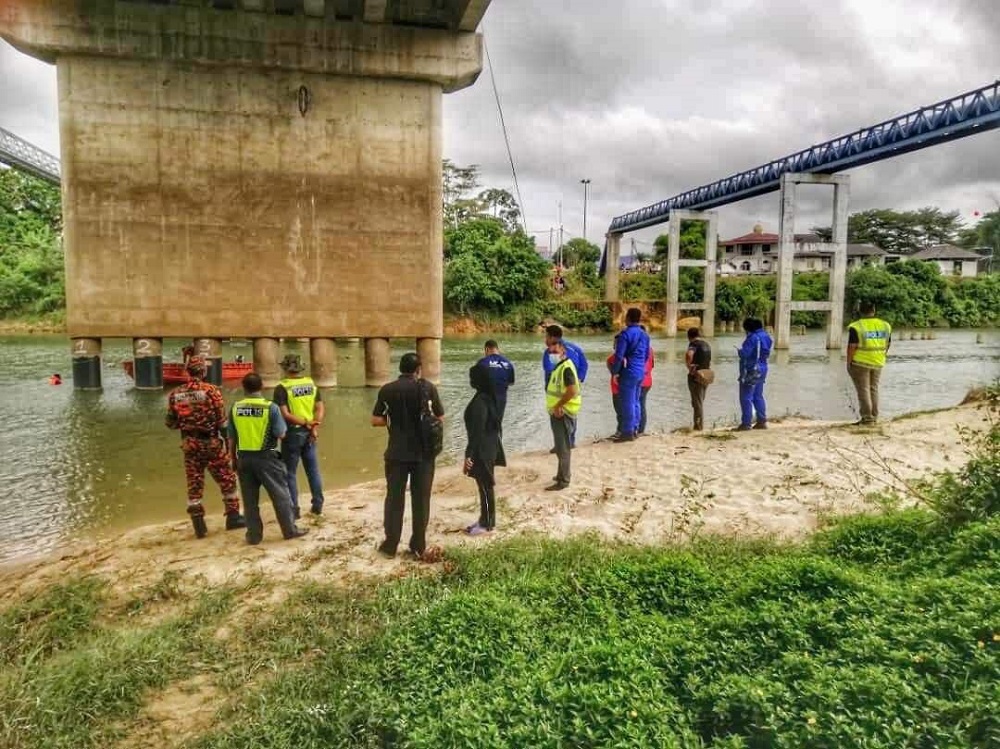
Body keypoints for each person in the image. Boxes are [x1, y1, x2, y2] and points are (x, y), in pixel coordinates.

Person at [371, 352, 444, 559]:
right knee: (421, 500)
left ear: (400, 369)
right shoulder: (428, 388)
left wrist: (393, 420)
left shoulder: (388, 390)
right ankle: (418, 545)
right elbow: (440, 417)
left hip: (396, 454)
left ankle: (390, 545)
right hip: (424, 455)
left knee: (394, 499)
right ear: (418, 369)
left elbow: (375, 420)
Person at [165, 356, 246, 539]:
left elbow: (170, 423)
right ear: (203, 371)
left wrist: (187, 423)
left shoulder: (175, 394)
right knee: (227, 479)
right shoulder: (211, 391)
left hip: (189, 444)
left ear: (188, 371)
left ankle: (199, 526)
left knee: (194, 483)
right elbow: (222, 422)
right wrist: (228, 444)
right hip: (211, 443)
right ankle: (233, 518)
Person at [228, 372, 307, 545]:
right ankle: (289, 530)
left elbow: (231, 438)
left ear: (244, 387)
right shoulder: (270, 408)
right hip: (267, 457)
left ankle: (254, 535)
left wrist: (232, 458)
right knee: (281, 496)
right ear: (261, 387)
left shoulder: (235, 407)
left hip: (244, 458)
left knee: (249, 501)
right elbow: (281, 433)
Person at [273, 354, 325, 518]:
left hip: (293, 433)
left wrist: (305, 423)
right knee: (313, 470)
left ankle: (294, 510)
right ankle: (317, 505)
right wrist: (314, 424)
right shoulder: (311, 384)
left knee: (290, 472)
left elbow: (285, 414)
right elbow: (320, 408)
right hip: (309, 432)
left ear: (285, 368)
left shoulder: (282, 387)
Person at [463, 364, 506, 535]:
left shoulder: (480, 401)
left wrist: (469, 455)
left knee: (485, 485)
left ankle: (487, 523)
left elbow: (477, 431)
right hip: (489, 446)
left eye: (472, 377)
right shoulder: (489, 397)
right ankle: (484, 519)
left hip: (482, 449)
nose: (471, 381)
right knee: (484, 485)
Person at [542, 325, 589, 448]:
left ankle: (562, 445)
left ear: (551, 337)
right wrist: (579, 379)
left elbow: (550, 372)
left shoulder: (551, 353)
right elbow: (584, 364)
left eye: (545, 336)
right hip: (573, 392)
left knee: (558, 420)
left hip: (559, 394)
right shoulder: (575, 348)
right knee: (572, 417)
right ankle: (570, 442)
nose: (544, 339)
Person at [545, 337, 581, 491]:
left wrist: (559, 405)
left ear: (563, 350)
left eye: (555, 350)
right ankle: (561, 475)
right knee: (561, 447)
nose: (552, 353)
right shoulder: (559, 367)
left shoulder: (565, 367)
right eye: (550, 351)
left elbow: (572, 390)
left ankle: (564, 480)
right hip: (559, 412)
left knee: (563, 447)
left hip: (563, 413)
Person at [847, 303, 892, 425]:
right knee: (873, 389)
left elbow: (852, 346)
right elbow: (887, 344)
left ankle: (867, 418)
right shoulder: (885, 325)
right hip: (878, 362)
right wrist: (881, 355)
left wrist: (848, 362)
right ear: (874, 310)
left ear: (860, 311)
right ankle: (874, 416)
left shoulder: (856, 326)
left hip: (860, 362)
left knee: (863, 390)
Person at [610, 308, 650, 442]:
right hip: (640, 372)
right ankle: (635, 429)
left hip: (629, 372)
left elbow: (619, 356)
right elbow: (646, 355)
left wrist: (615, 372)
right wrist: (640, 367)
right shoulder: (645, 335)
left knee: (627, 402)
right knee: (637, 401)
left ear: (628, 318)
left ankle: (627, 432)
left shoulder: (625, 335)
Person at [737, 318, 772, 431]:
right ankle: (761, 421)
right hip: (763, 367)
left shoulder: (752, 338)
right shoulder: (766, 336)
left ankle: (746, 424)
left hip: (752, 369)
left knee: (746, 397)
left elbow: (745, 353)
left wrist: (739, 351)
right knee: (758, 395)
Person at [478, 340, 515, 421]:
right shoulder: (508, 364)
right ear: (498, 349)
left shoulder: (482, 363)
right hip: (501, 401)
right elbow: (511, 383)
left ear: (487, 349)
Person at [685, 327, 713, 431]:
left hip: (697, 375)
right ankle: (699, 424)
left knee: (697, 403)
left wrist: (689, 366)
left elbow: (689, 354)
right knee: (700, 401)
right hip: (707, 373)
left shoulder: (693, 344)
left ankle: (698, 427)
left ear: (689, 336)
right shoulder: (706, 344)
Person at [605, 335, 624, 439]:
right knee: (620, 411)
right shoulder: (612, 358)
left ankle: (621, 431)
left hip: (620, 389)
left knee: (621, 411)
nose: (615, 345)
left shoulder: (616, 358)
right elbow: (611, 369)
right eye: (615, 343)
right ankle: (621, 430)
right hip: (616, 388)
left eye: (617, 343)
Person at [639, 325, 654, 435]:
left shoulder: (637, 347)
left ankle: (639, 429)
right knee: (641, 404)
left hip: (640, 380)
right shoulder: (650, 349)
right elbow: (652, 365)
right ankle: (641, 429)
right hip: (648, 380)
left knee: (638, 404)